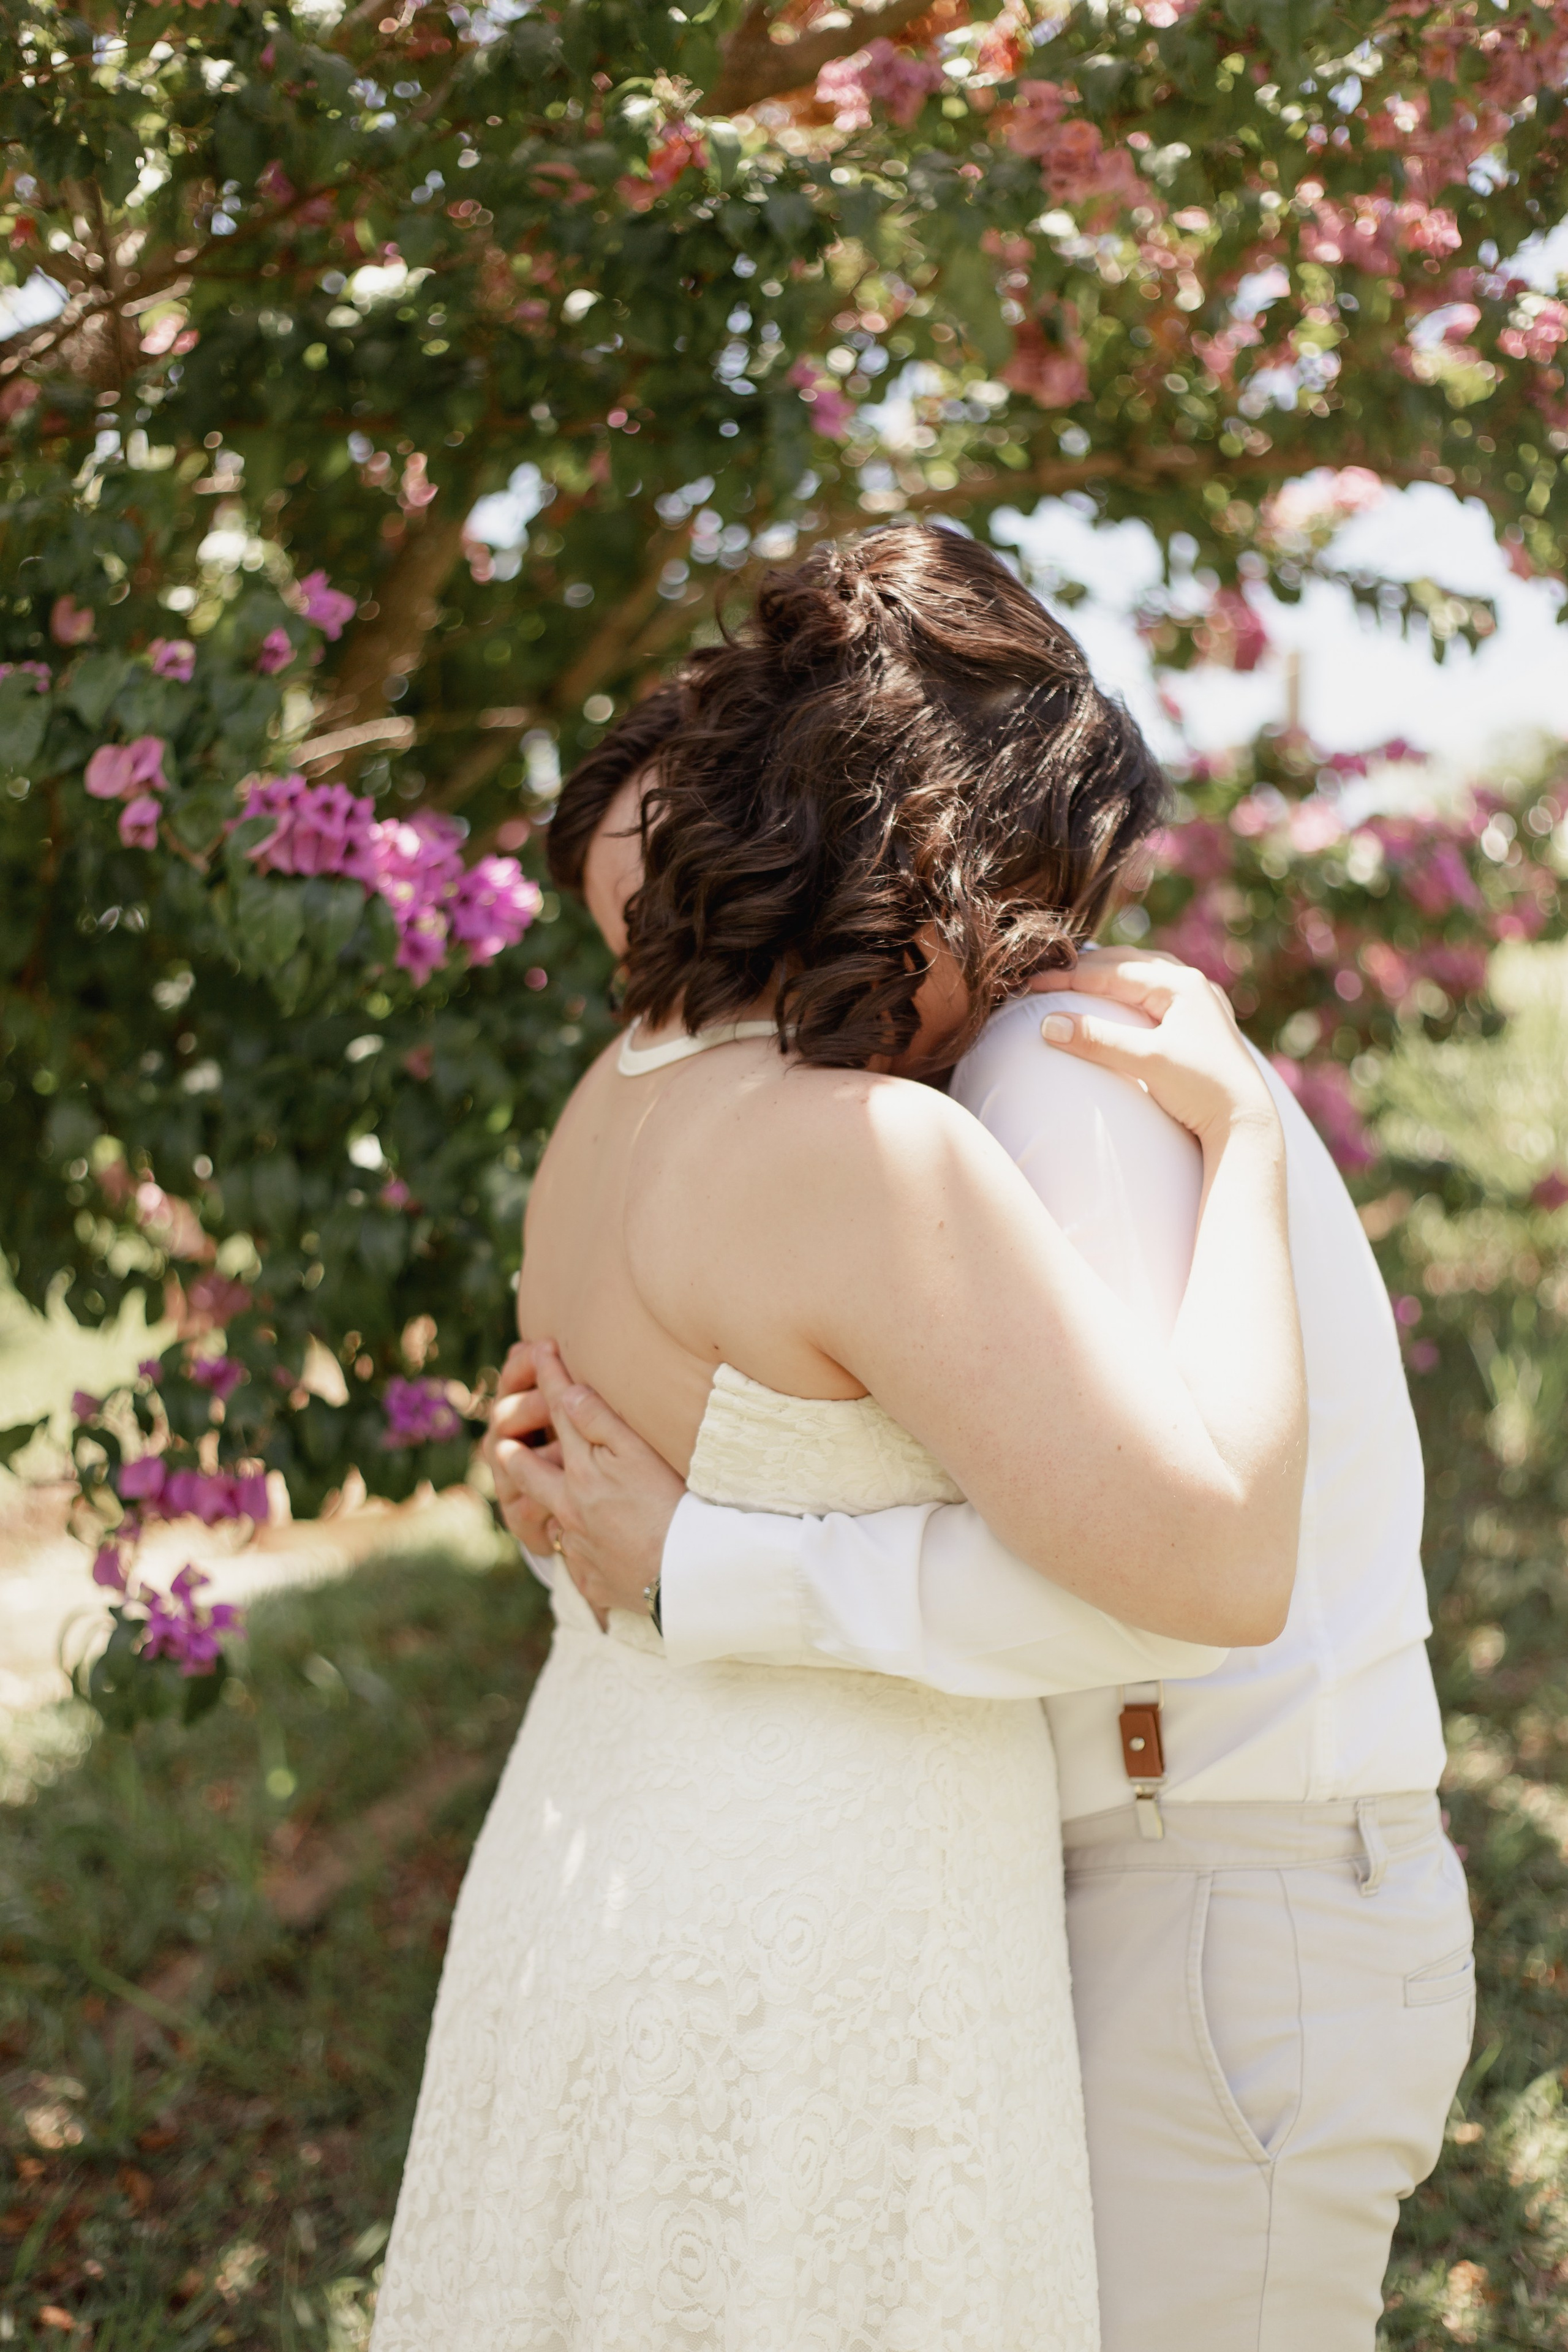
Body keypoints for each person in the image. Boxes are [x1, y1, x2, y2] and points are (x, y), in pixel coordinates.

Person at [373, 526, 1308, 2352]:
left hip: (595, 1854)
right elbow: (1221, 1566)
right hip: (820, 1940)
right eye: (1031, 897)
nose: (1038, 960)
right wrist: (1248, 1147)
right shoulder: (863, 1158)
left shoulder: (610, 1098)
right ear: (945, 856)